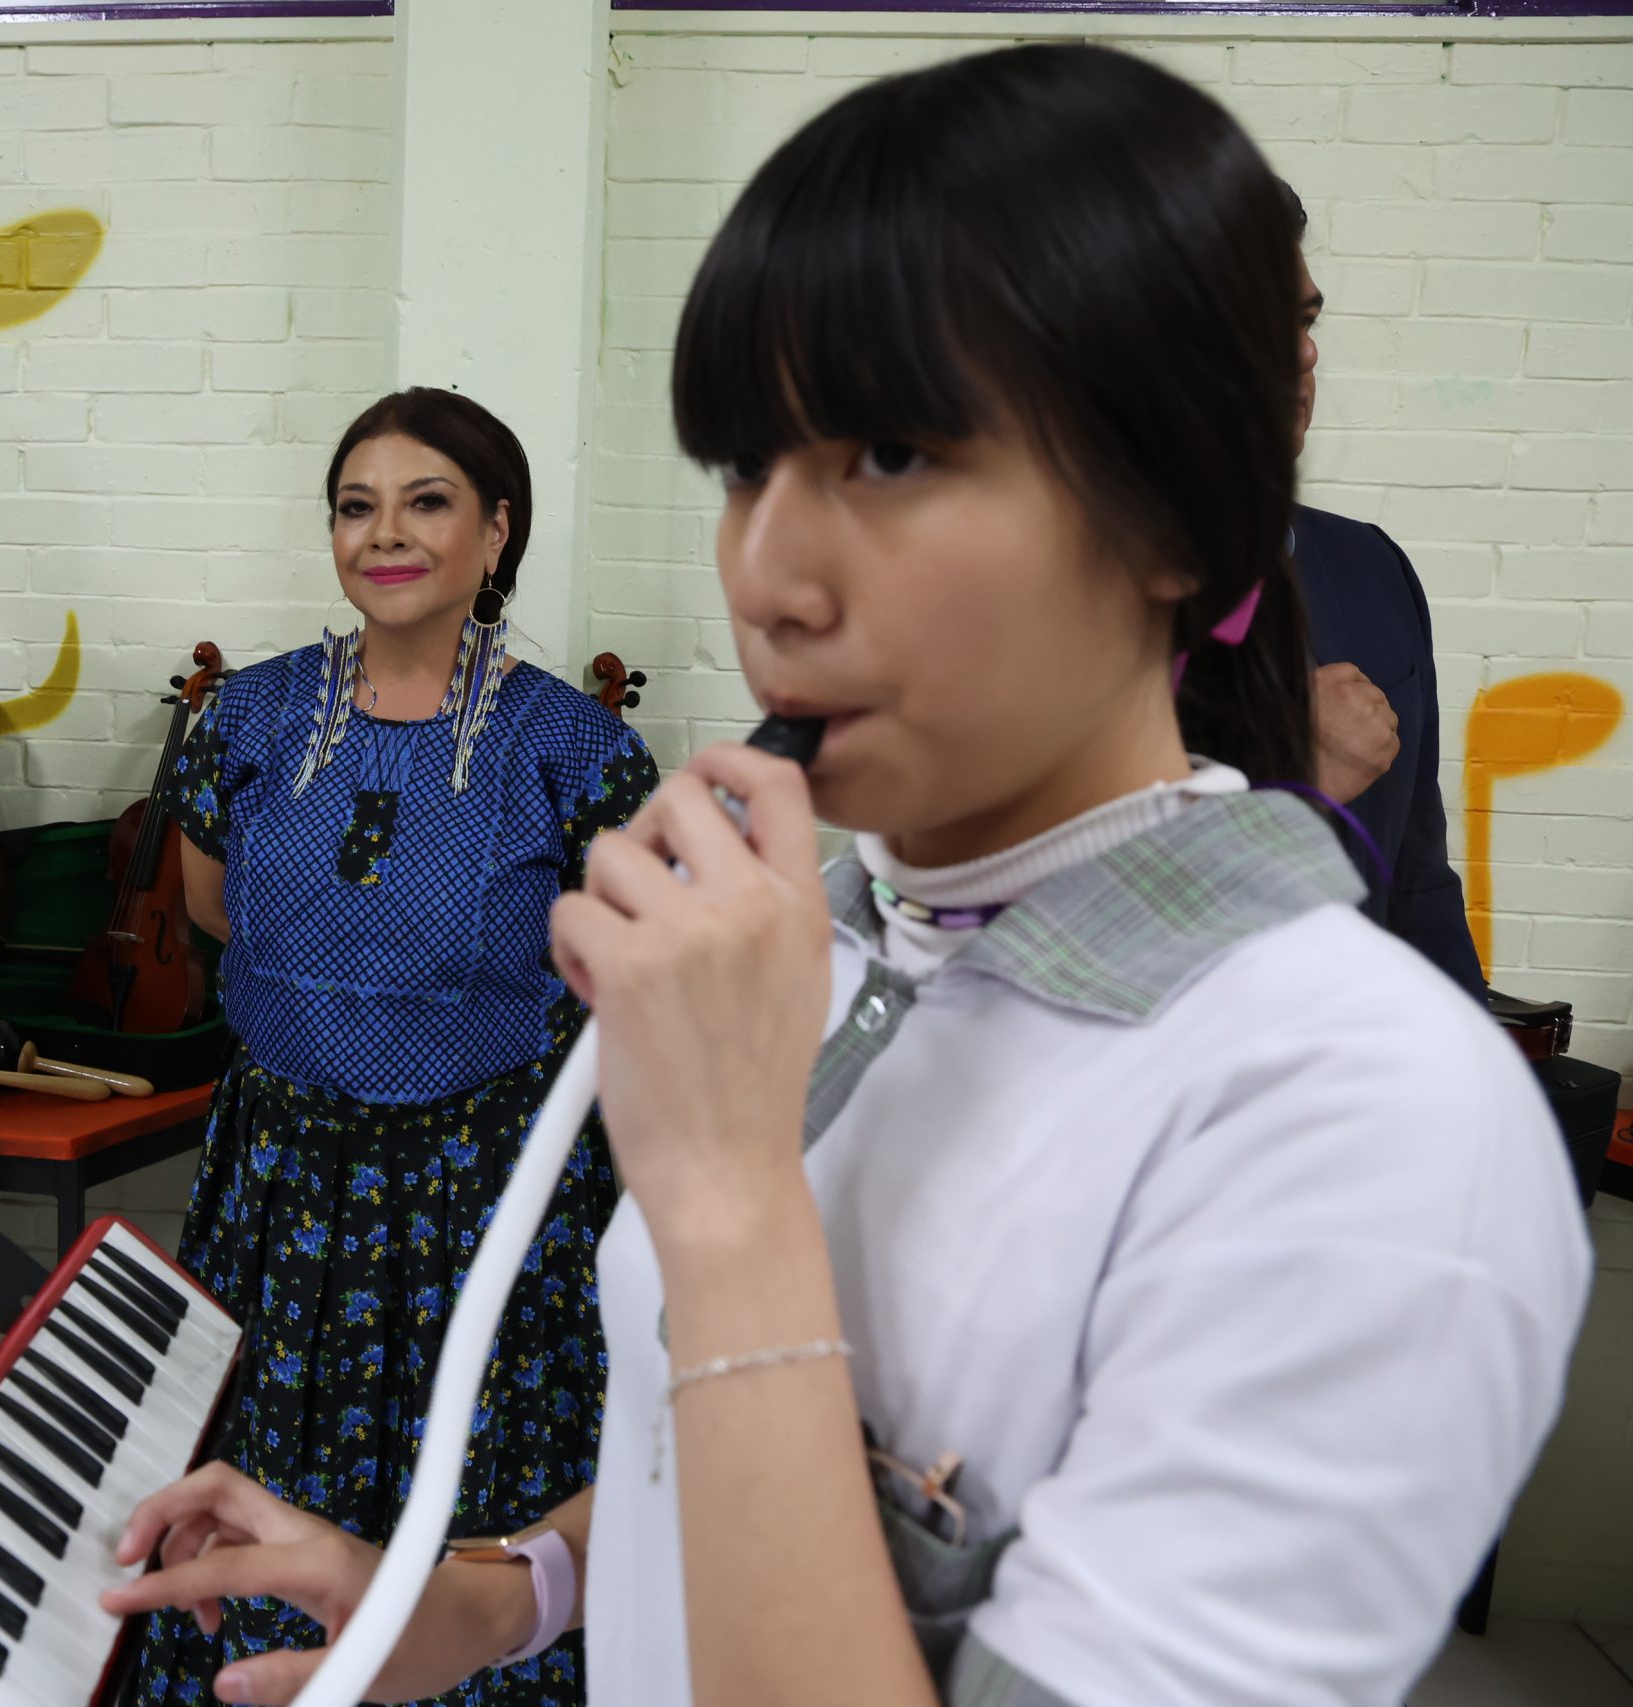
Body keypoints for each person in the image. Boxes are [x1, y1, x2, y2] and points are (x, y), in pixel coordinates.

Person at [101, 46, 1588, 1707]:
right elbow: (766, 1458)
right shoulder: (840, 956)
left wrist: (731, 1205)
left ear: (1182, 519)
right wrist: (492, 1591)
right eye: (750, 469)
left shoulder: (1364, 1129)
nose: (770, 578)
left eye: (890, 456)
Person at [128, 387, 657, 1707]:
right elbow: (210, 910)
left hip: (492, 1194)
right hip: (283, 1187)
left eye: (428, 501)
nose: (387, 532)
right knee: (259, 1487)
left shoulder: (580, 749)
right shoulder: (244, 719)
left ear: (497, 531)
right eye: (357, 505)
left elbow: (625, 975)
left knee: (482, 1494)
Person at [1280, 185, 1486, 997]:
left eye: (1302, 322)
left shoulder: (1371, 569)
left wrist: (1480, 1094)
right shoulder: (1027, 617)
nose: (1304, 355)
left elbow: (1418, 885)